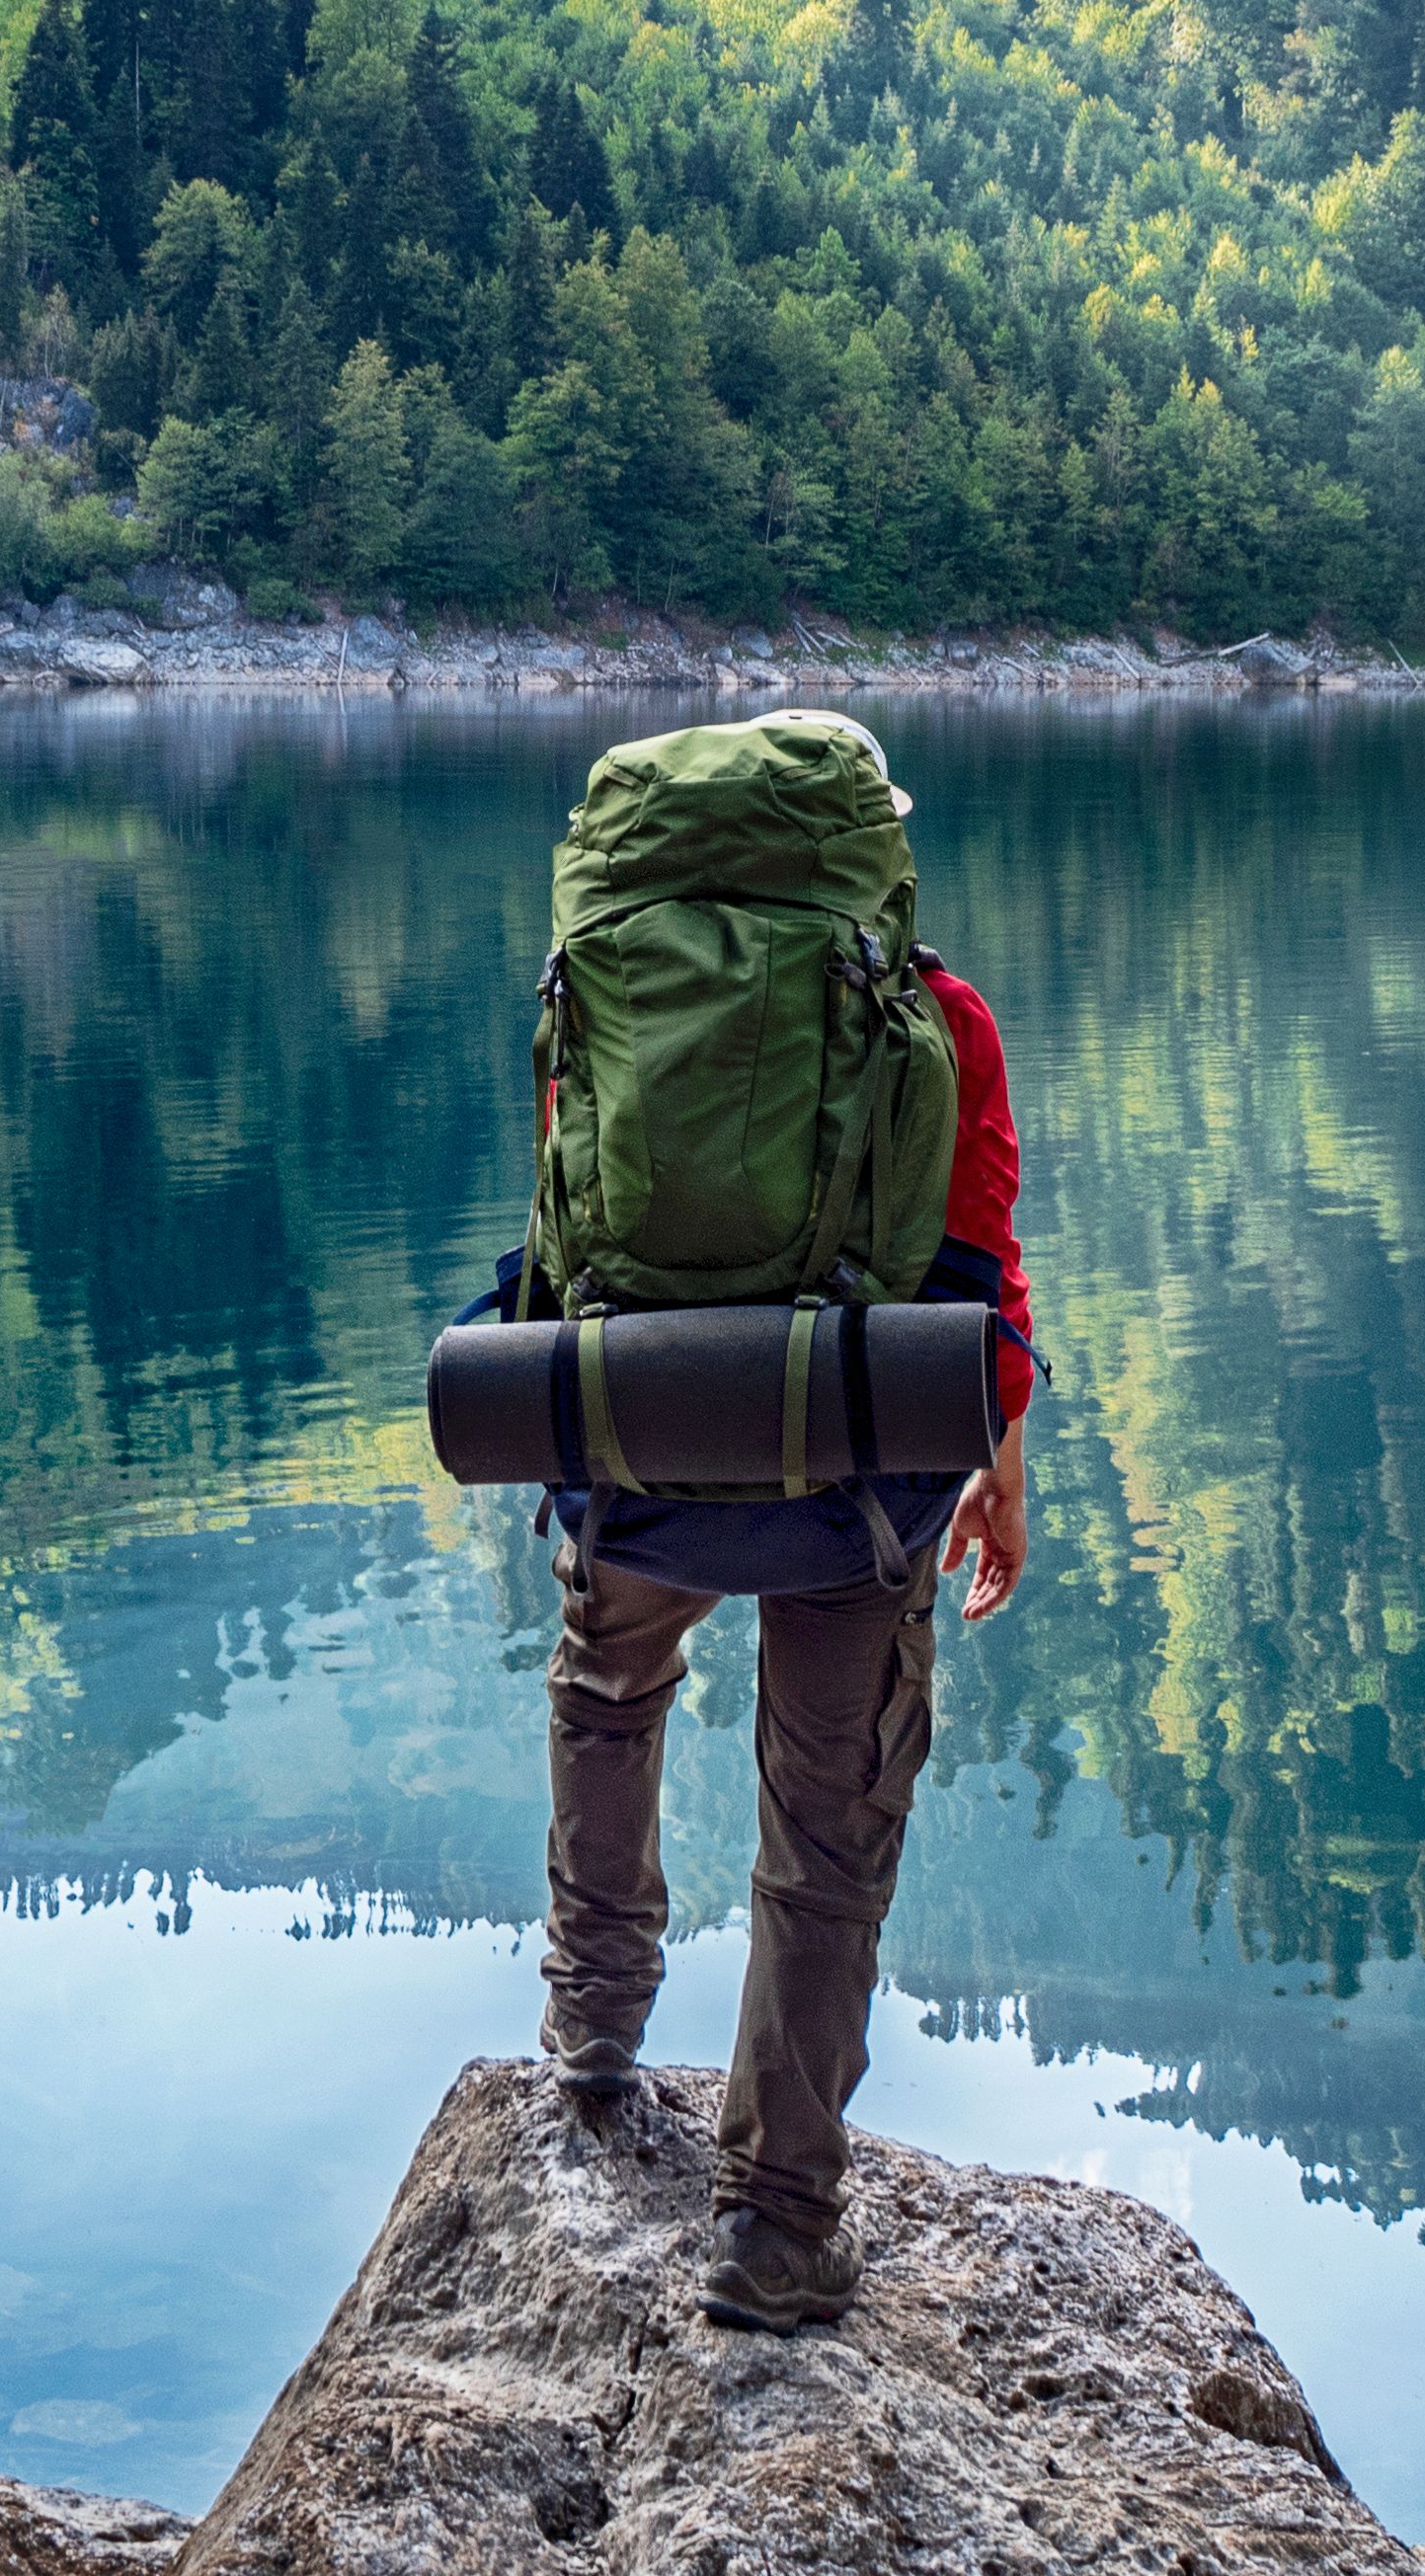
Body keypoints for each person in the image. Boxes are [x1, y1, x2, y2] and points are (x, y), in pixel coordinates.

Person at [535, 710, 1038, 2336]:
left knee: (609, 1684)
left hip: (632, 1454)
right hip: (853, 1481)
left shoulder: (596, 1006)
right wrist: (998, 1464)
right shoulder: (937, 1016)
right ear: (869, 856)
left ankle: (594, 2031)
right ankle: (774, 2220)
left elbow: (562, 1222)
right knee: (827, 1829)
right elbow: (982, 1269)